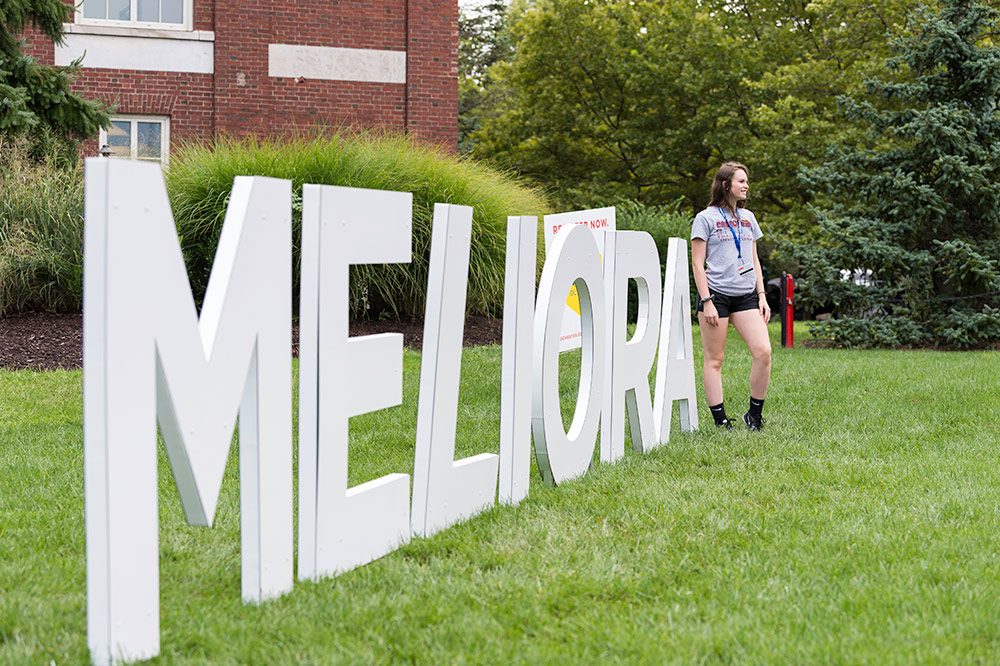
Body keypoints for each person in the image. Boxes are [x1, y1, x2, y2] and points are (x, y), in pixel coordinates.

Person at [690, 162, 771, 431]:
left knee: (763, 352)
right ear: (726, 185)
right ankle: (720, 420)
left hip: (746, 295)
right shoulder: (705, 218)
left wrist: (761, 295)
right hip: (717, 296)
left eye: (747, 181)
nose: (746, 186)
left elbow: (754, 259)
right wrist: (707, 301)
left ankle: (754, 416)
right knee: (715, 359)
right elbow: (697, 263)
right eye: (741, 181)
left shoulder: (749, 218)